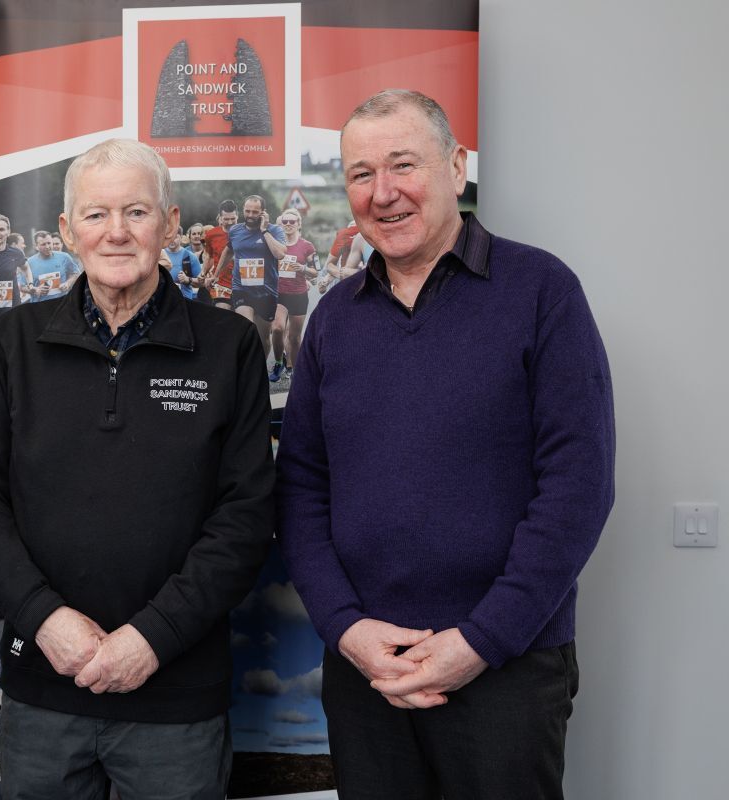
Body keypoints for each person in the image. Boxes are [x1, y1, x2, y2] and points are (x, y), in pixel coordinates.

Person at [275, 89, 615, 799]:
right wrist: (347, 629)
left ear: (457, 168)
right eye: (361, 173)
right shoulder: (335, 319)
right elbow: (301, 487)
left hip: (507, 667)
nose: (383, 192)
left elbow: (578, 486)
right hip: (369, 670)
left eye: (404, 164)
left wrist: (481, 641)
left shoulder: (542, 292)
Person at [0, 138, 274, 800]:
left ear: (171, 223)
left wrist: (148, 640)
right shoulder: (15, 343)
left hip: (177, 700)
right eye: (96, 215)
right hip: (45, 690)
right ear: (69, 232)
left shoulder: (228, 348)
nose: (118, 232)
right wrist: (47, 621)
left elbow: (246, 518)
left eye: (136, 211)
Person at [217, 194, 287, 359]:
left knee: (263, 337)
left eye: (255, 212)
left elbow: (279, 254)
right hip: (241, 287)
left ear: (263, 212)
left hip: (266, 291)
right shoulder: (235, 230)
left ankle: (261, 366)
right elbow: (229, 250)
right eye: (247, 211)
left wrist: (265, 230)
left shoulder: (275, 230)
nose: (250, 215)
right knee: (248, 328)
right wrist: (216, 273)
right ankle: (249, 368)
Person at [269, 211, 319, 380]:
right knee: (277, 328)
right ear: (281, 224)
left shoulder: (307, 246)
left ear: (299, 224)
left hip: (298, 294)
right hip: (278, 293)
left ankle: (297, 375)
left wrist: (303, 269)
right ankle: (278, 362)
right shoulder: (276, 244)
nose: (288, 224)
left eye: (292, 221)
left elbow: (315, 272)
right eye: (285, 221)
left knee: (295, 338)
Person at [24, 229, 80, 301]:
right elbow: (21, 286)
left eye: (49, 243)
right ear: (36, 246)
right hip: (40, 306)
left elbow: (75, 273)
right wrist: (35, 290)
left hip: (62, 303)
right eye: (43, 244)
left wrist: (67, 283)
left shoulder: (64, 257)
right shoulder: (29, 263)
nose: (47, 247)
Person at [202, 200, 237, 310]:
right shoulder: (211, 234)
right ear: (220, 218)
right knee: (223, 313)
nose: (230, 222)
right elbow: (209, 256)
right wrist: (203, 272)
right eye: (226, 219)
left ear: (237, 216)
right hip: (220, 282)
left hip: (240, 284)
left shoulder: (244, 232)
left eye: (233, 219)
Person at [164, 228, 202, 300]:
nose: (171, 240)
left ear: (181, 237)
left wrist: (188, 280)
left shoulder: (189, 256)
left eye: (175, 237)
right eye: (169, 237)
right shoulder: (159, 254)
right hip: (163, 300)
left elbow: (201, 283)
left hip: (184, 300)